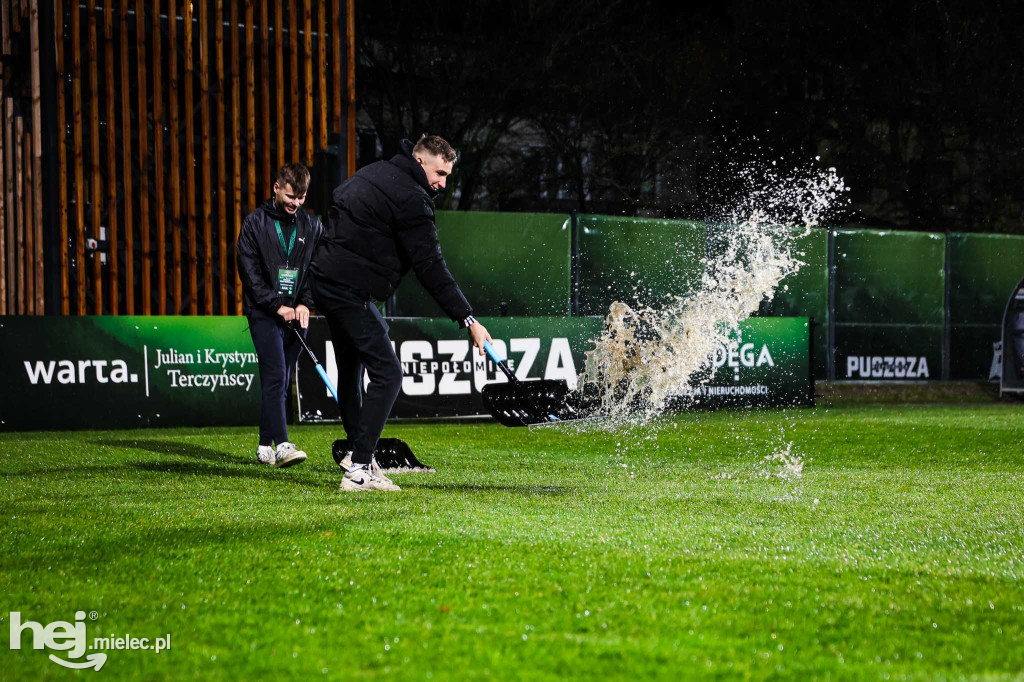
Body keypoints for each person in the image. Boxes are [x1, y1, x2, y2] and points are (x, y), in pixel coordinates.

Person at [311, 135, 491, 492]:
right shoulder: (411, 197)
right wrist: (468, 318)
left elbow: (337, 206)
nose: (442, 183)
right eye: (440, 173)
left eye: (447, 176)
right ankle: (359, 469)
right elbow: (431, 266)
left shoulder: (374, 171)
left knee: (352, 369)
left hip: (326, 280)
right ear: (421, 161)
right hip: (349, 290)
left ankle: (361, 458)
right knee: (389, 374)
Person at [237, 163, 323, 468]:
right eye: (290, 196)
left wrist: (305, 304)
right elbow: (249, 275)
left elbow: (316, 268)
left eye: (300, 198)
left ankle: (264, 445)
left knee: (281, 379)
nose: (295, 204)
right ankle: (284, 445)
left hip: (297, 314)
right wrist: (276, 305)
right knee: (275, 375)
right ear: (276, 188)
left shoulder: (312, 226)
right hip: (263, 312)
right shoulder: (254, 223)